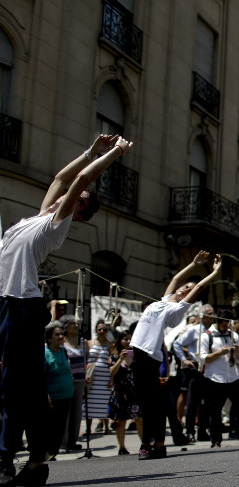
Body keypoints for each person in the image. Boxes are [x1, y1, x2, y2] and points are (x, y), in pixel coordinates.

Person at [0, 133, 129, 485]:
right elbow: (62, 178)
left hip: (21, 306)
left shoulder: (54, 226)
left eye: (77, 197)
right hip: (5, 303)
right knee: (18, 388)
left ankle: (14, 458)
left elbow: (82, 180)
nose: (69, 192)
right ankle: (32, 460)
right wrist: (91, 150)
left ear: (79, 209)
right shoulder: (37, 217)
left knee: (16, 388)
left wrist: (115, 153)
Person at [130, 250, 222, 460]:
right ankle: (152, 443)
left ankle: (154, 443)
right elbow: (175, 278)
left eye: (188, 290)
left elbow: (198, 286)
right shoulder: (162, 300)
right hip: (136, 352)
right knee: (144, 403)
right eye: (184, 287)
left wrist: (214, 273)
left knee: (153, 404)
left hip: (150, 356)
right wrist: (193, 263)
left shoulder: (177, 309)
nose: (184, 289)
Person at [198, 311, 239, 447]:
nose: (225, 328)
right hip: (215, 378)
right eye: (223, 325)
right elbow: (203, 358)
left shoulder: (233, 335)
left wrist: (237, 351)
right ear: (217, 322)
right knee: (215, 412)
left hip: (233, 377)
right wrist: (219, 353)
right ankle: (216, 440)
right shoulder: (207, 336)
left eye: (227, 325)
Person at [172, 303, 214, 442]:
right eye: (208, 314)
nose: (211, 317)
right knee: (192, 401)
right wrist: (184, 360)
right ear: (202, 316)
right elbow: (177, 344)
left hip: (209, 367)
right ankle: (190, 431)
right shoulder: (195, 330)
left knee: (207, 401)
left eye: (212, 313)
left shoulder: (213, 331)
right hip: (196, 367)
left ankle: (203, 430)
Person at [107, 331, 142, 454]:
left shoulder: (136, 355)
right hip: (120, 392)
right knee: (121, 421)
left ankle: (144, 444)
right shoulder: (114, 356)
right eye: (125, 339)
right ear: (119, 341)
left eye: (130, 339)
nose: (128, 341)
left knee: (139, 419)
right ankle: (122, 447)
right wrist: (120, 359)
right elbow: (111, 372)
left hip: (134, 392)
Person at [43, 321, 73, 461]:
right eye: (57, 334)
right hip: (52, 398)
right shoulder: (45, 353)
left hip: (66, 396)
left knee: (60, 428)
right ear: (49, 338)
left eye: (62, 334)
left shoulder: (63, 351)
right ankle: (44, 453)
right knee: (50, 428)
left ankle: (52, 452)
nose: (61, 336)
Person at [60, 315, 88, 452]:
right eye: (73, 324)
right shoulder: (62, 342)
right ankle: (62, 442)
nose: (76, 326)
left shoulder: (82, 342)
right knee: (66, 412)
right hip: (67, 380)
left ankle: (73, 440)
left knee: (77, 412)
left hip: (80, 380)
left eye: (77, 324)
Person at [86, 320, 113, 435]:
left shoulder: (110, 344)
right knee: (90, 402)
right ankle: (88, 429)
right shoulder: (89, 343)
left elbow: (112, 362)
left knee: (104, 402)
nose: (102, 331)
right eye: (99, 329)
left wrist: (112, 378)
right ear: (96, 330)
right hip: (92, 376)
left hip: (105, 377)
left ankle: (106, 427)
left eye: (104, 329)